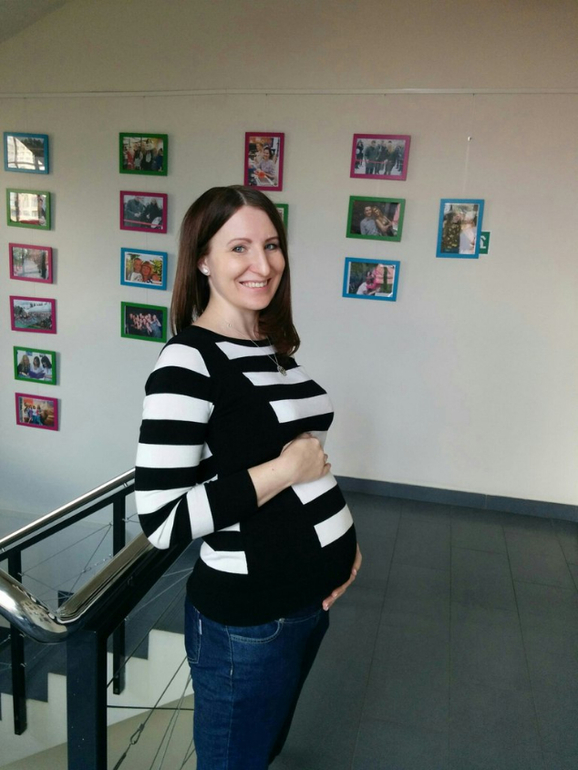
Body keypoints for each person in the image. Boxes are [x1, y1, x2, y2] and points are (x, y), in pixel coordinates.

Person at [135, 185, 361, 770]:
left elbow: (299, 462)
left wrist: (342, 546)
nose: (263, 263)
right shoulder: (187, 361)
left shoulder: (271, 348)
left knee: (262, 749)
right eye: (239, 247)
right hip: (250, 620)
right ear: (203, 260)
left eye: (272, 245)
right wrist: (287, 468)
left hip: (308, 601)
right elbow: (162, 521)